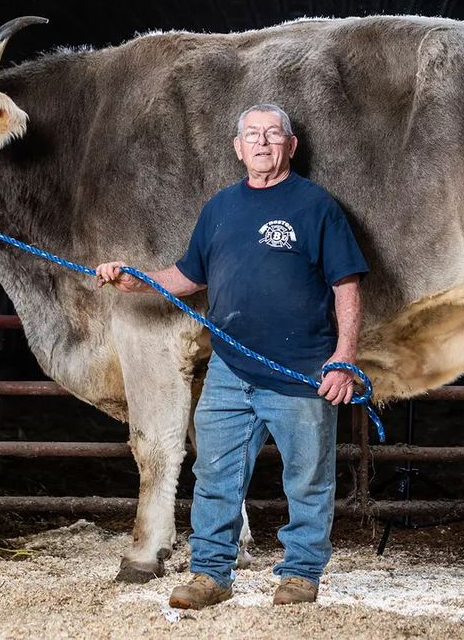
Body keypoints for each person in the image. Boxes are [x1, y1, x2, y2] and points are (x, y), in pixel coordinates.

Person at [95, 103, 368, 608]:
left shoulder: (316, 206)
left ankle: (301, 575)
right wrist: (137, 279)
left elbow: (345, 284)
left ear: (291, 145)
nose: (262, 143)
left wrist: (343, 357)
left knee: (308, 479)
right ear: (237, 148)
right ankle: (211, 574)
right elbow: (188, 276)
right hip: (229, 371)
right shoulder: (220, 208)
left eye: (272, 134)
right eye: (251, 135)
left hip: (301, 372)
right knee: (215, 475)